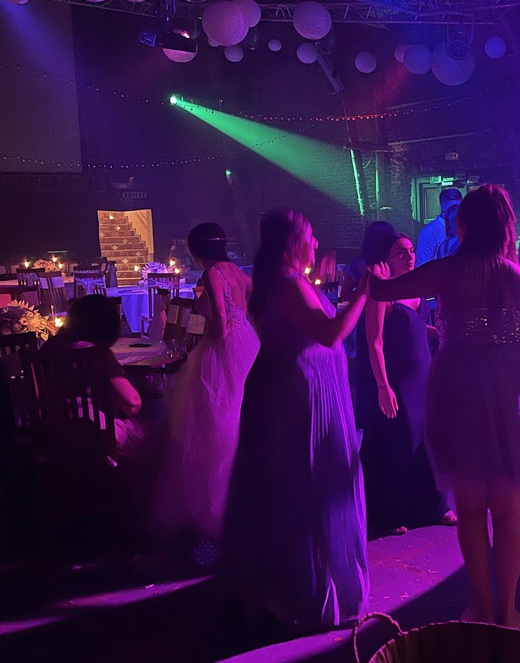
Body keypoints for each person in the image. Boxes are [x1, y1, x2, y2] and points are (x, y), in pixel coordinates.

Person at [368, 184, 520, 628]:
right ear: (506, 226)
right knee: (508, 507)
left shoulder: (446, 270)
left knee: (471, 506)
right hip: (511, 391)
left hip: (456, 389)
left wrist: (373, 274)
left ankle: (481, 606)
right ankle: (508, 610)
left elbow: (383, 292)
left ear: (464, 224)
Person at [221, 210, 369, 632]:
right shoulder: (287, 284)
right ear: (292, 243)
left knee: (288, 487)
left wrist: (322, 286)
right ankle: (298, 591)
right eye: (310, 235)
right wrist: (363, 293)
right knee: (304, 487)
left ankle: (280, 588)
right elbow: (330, 333)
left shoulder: (284, 281)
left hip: (292, 388)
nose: (316, 242)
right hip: (298, 396)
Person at [150, 222, 260, 545]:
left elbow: (222, 326)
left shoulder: (212, 274)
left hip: (222, 349)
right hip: (248, 344)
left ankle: (214, 510)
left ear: (197, 250)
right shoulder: (238, 271)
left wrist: (205, 326)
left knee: (213, 423)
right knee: (238, 418)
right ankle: (245, 500)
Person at [356, 231, 453, 535]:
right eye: (402, 252)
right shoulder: (382, 293)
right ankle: (392, 512)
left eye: (411, 251)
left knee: (430, 438)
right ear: (387, 259)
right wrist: (383, 386)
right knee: (401, 440)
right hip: (397, 378)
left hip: (423, 373)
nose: (410, 257)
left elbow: (415, 326)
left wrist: (441, 331)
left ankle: (435, 506)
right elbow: (374, 342)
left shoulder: (416, 290)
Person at [43, 294, 148, 459]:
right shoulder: (95, 353)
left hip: (52, 431)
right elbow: (133, 404)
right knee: (153, 431)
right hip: (91, 432)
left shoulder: (50, 346)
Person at [416, 187, 462, 266]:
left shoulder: (461, 228)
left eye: (460, 207)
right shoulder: (430, 231)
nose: (457, 210)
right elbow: (422, 264)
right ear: (443, 207)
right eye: (453, 207)